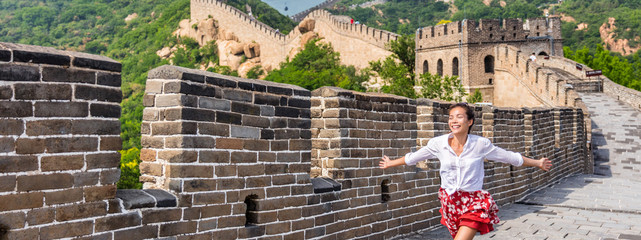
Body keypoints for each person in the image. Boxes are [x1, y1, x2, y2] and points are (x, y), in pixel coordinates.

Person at [379, 103, 552, 240]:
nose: (454, 121)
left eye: (459, 117)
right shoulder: (438, 144)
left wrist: (538, 163)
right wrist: (390, 163)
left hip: (474, 201)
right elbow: (413, 158)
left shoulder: (480, 144)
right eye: (451, 117)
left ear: (469, 122)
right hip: (450, 201)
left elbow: (510, 157)